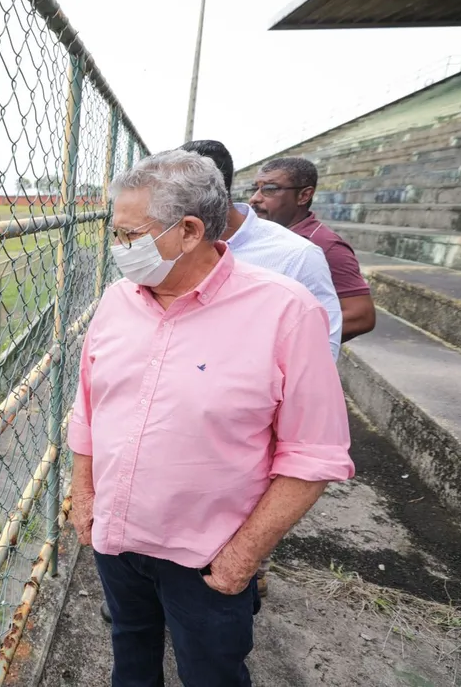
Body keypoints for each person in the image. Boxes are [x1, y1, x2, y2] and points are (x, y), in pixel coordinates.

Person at [70, 149, 354, 687]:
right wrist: (85, 498)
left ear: (190, 231)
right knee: (130, 657)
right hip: (118, 541)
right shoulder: (115, 302)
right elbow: (87, 409)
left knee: (212, 672)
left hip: (207, 556)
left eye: (129, 235)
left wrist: (242, 557)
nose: (117, 249)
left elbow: (314, 455)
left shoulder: (286, 312)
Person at [182, 140, 341, 361]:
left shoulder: (298, 255)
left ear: (202, 193)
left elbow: (322, 348)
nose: (256, 197)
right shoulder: (173, 244)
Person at [248, 157, 376, 341]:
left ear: (303, 196)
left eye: (270, 189)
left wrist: (279, 340)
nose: (255, 198)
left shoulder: (325, 245)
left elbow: (361, 316)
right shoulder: (262, 236)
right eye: (255, 189)